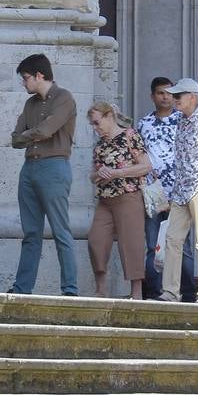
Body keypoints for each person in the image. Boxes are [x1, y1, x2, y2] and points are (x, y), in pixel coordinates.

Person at [10, 53, 79, 296]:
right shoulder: (30, 104)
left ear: (40, 75)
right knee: (30, 232)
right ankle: (22, 288)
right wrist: (33, 133)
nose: (24, 83)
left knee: (61, 231)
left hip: (54, 166)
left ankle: (70, 289)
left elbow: (47, 130)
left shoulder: (64, 98)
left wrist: (30, 133)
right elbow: (15, 139)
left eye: (26, 77)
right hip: (29, 169)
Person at [160, 78, 198, 303]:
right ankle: (170, 291)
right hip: (180, 189)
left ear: (193, 97)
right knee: (172, 239)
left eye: (179, 96)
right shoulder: (180, 121)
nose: (174, 99)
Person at [136, 77, 193, 300]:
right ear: (152, 96)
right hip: (154, 192)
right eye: (160, 93)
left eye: (169, 93)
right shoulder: (143, 124)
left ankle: (187, 292)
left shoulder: (184, 120)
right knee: (153, 244)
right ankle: (155, 291)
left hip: (180, 191)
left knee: (182, 245)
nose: (165, 97)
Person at [86, 100, 151, 298]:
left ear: (109, 117)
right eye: (93, 124)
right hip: (105, 200)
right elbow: (92, 175)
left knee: (131, 243)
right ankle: (101, 289)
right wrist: (100, 174)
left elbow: (146, 166)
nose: (96, 128)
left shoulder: (130, 136)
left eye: (97, 122)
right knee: (96, 240)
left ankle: (136, 292)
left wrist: (117, 173)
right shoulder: (99, 146)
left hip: (129, 196)